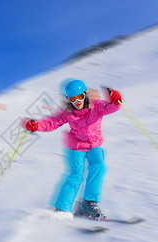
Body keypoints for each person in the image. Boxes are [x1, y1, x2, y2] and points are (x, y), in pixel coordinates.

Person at [23, 79, 122, 219]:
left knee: (99, 166)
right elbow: (52, 122)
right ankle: (61, 208)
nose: (77, 101)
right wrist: (36, 125)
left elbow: (112, 107)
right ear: (68, 99)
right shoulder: (68, 112)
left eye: (79, 97)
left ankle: (89, 203)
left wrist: (116, 100)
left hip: (94, 144)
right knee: (76, 175)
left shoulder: (97, 106)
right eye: (72, 98)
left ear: (85, 95)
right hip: (76, 146)